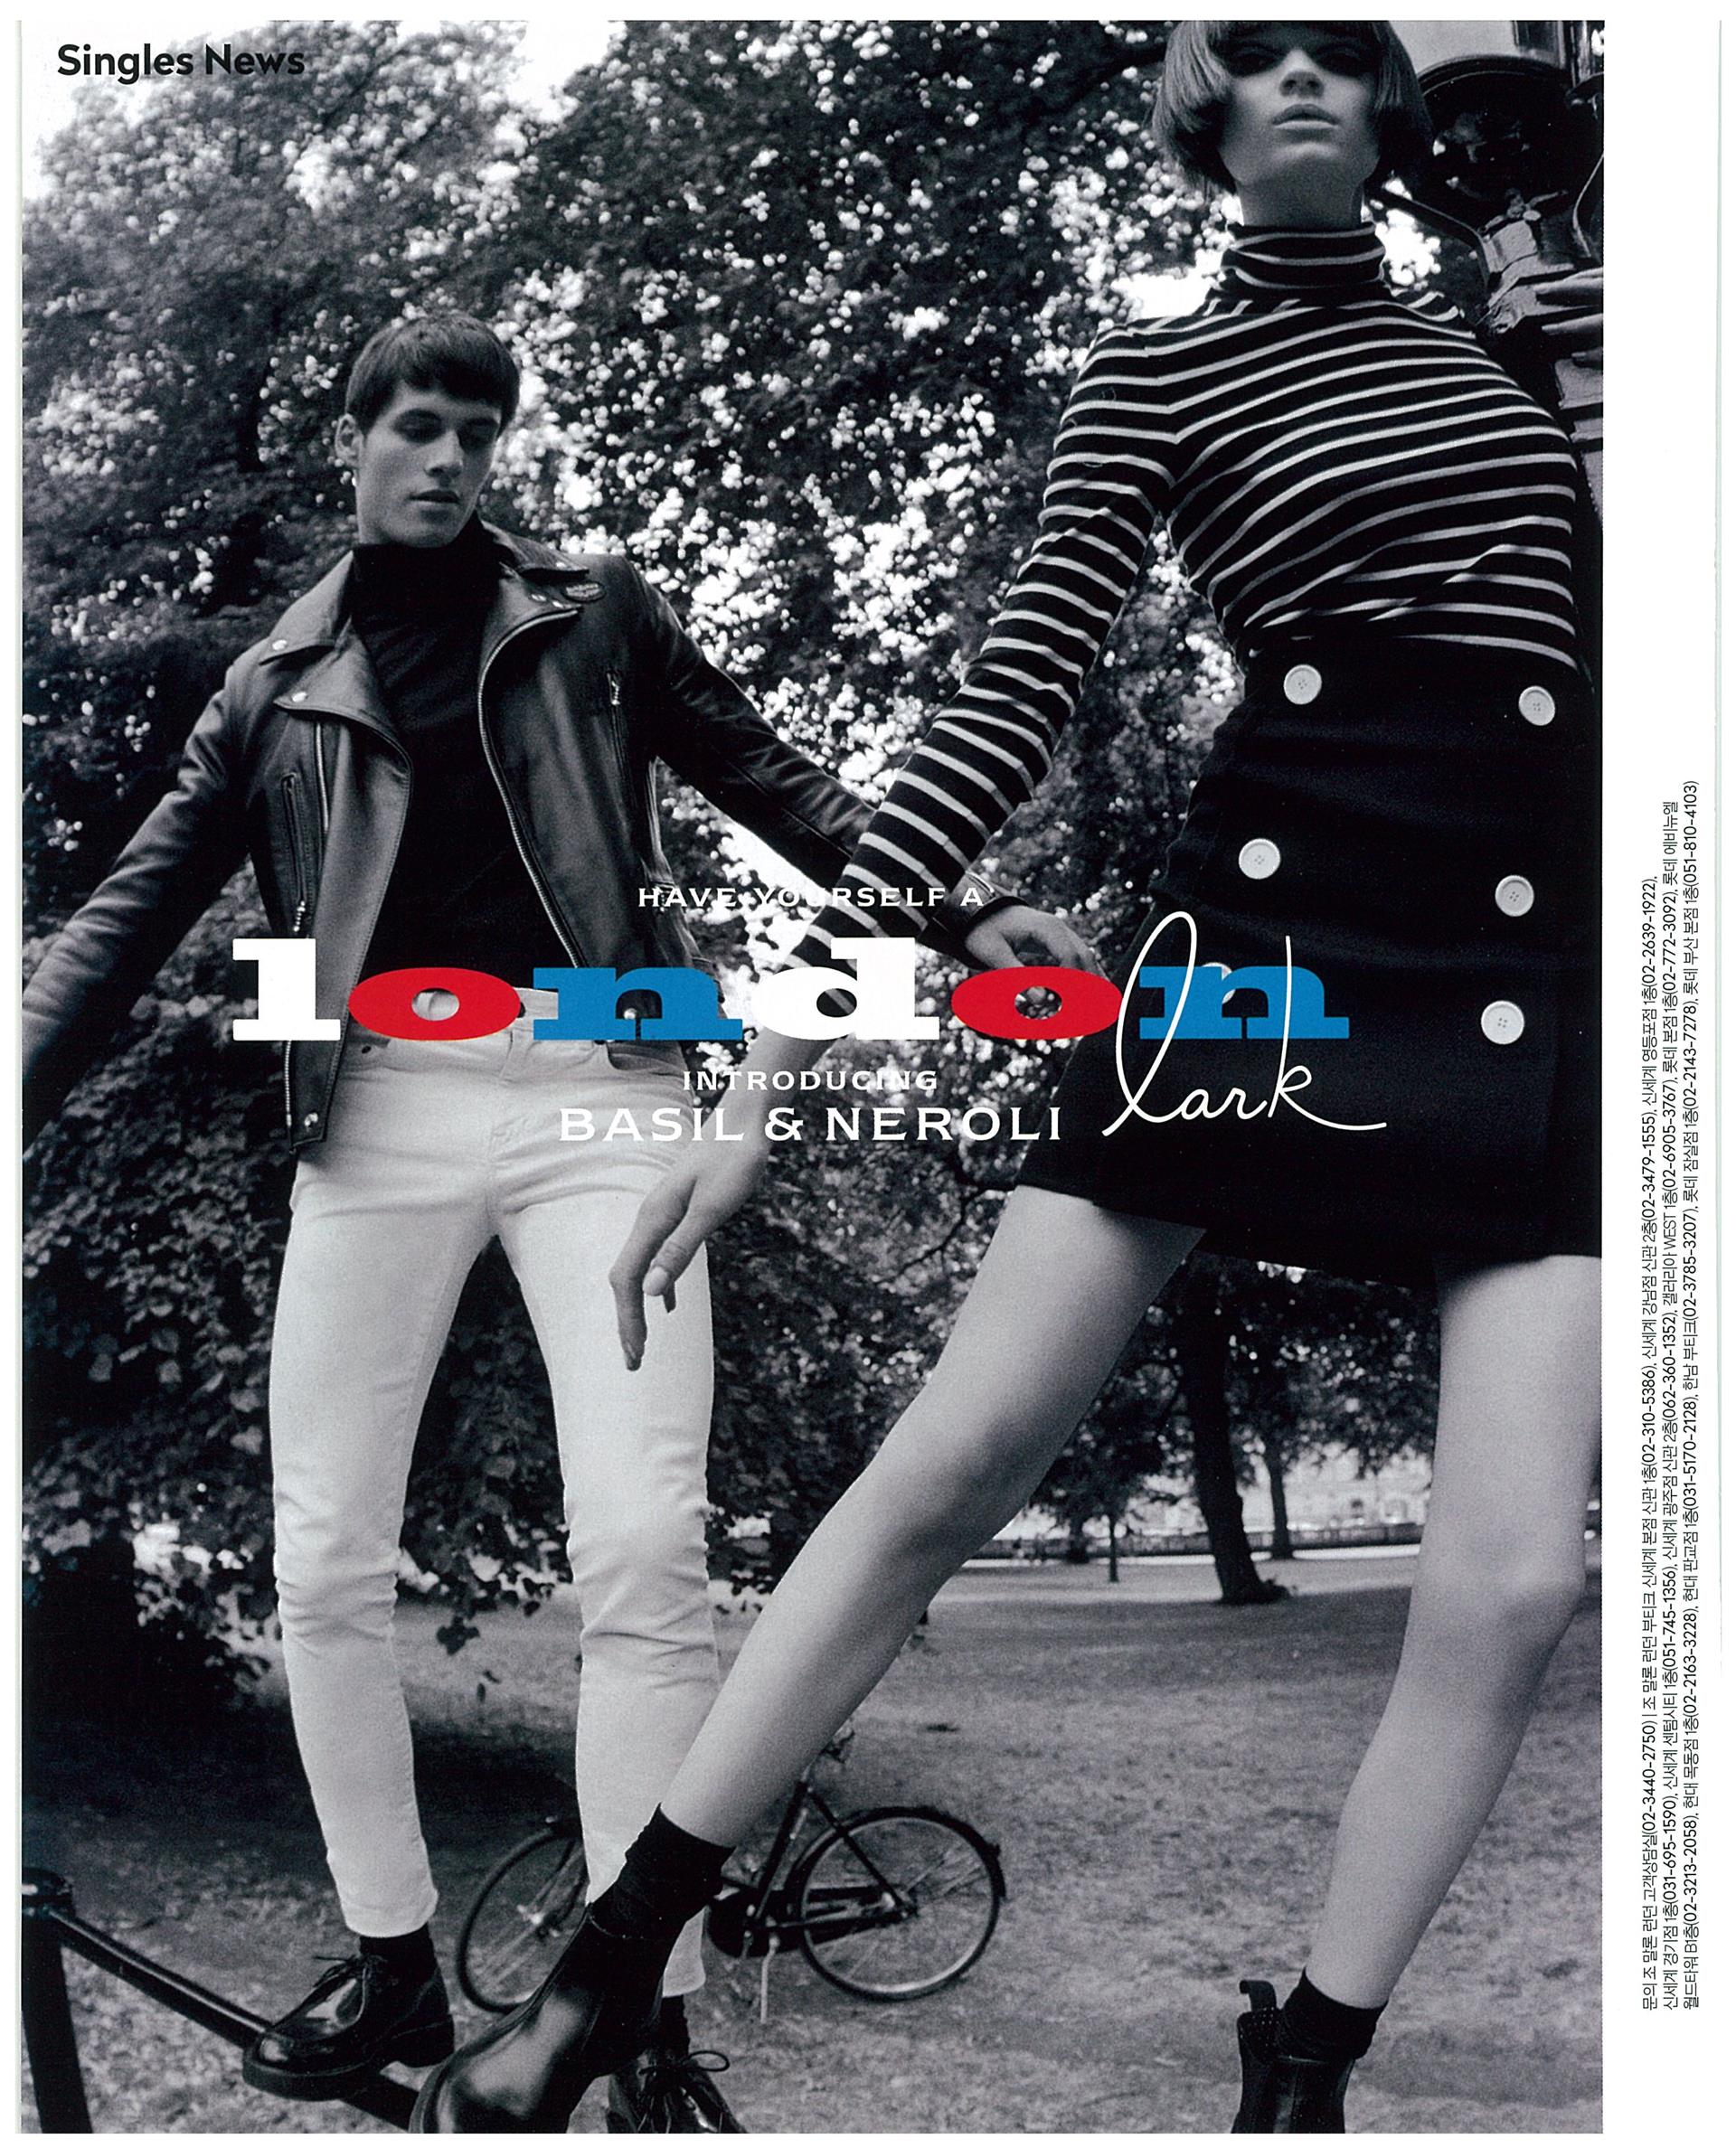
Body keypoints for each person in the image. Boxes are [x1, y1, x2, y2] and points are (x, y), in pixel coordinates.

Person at [410, 23, 1604, 2135]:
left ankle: (1304, 2069)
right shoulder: (1157, 370)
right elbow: (1008, 697)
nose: (1303, 76)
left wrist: (1596, 365)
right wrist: (776, 1065)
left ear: (1395, 115)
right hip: (1275, 945)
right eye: (1257, 52)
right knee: (953, 1458)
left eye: (1343, 53)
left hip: (1536, 954)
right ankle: (603, 1973)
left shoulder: (1521, 346)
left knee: (1516, 1580)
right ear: (1204, 114)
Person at [21, 312, 1081, 2129]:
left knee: (645, 1556)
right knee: (322, 1560)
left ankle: (640, 2025)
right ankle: (389, 1961)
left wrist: (959, 906)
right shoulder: (271, 687)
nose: (449, 458)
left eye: (477, 431)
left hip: (608, 1091)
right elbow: (121, 918)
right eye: (418, 427)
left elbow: (779, 781)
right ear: (355, 443)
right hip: (378, 1110)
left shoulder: (598, 616)